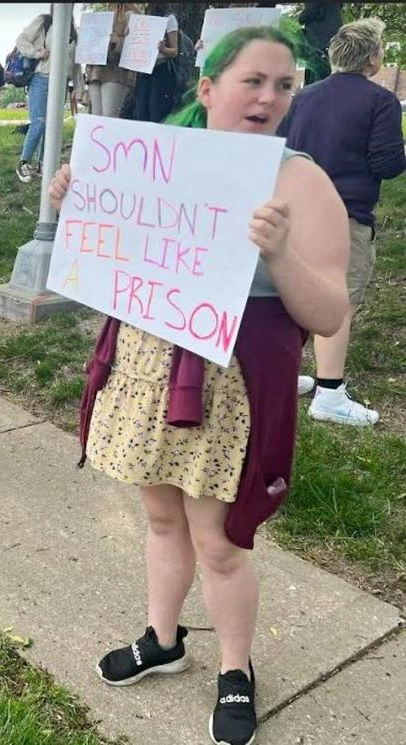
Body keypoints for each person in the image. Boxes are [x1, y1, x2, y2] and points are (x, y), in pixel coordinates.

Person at [47, 24, 349, 745]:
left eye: (284, 85)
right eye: (254, 81)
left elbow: (330, 311)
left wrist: (278, 253)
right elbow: (112, 266)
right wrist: (78, 206)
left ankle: (236, 669)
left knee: (218, 542)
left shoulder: (300, 179)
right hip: (151, 366)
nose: (270, 97)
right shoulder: (156, 162)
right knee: (158, 518)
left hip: (232, 383)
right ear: (210, 88)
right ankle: (162, 637)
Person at [280, 18, 405, 426]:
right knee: (339, 302)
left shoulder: (301, 97)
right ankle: (329, 394)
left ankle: (282, 373)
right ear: (372, 56)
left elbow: (282, 148)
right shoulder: (380, 102)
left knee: (292, 295)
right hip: (345, 215)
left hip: (297, 210)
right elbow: (387, 165)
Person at [15, 13, 77, 183]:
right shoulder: (46, 21)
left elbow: (75, 63)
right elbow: (21, 40)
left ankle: (44, 164)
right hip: (42, 78)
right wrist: (37, 52)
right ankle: (24, 162)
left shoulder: (73, 30)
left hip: (61, 82)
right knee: (39, 122)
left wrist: (78, 88)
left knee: (53, 125)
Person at [84, 4, 139, 119]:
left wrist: (117, 42)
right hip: (96, 70)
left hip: (115, 72)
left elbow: (136, 46)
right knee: (96, 117)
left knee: (109, 116)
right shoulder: (101, 16)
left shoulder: (131, 15)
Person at [132, 3, 180, 123]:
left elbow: (174, 51)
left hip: (161, 72)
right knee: (141, 110)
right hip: (144, 72)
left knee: (157, 111)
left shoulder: (169, 19)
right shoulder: (144, 20)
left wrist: (163, 49)